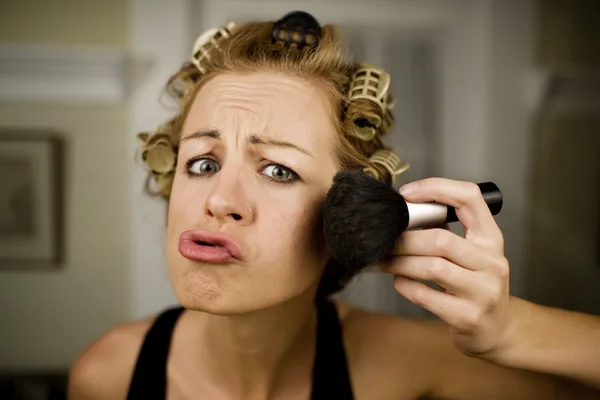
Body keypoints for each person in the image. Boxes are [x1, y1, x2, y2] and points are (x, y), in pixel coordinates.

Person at [68, 11, 600, 400]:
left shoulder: (407, 368)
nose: (219, 200)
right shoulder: (107, 375)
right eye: (203, 163)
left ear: (343, 213)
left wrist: (510, 330)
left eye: (278, 170)